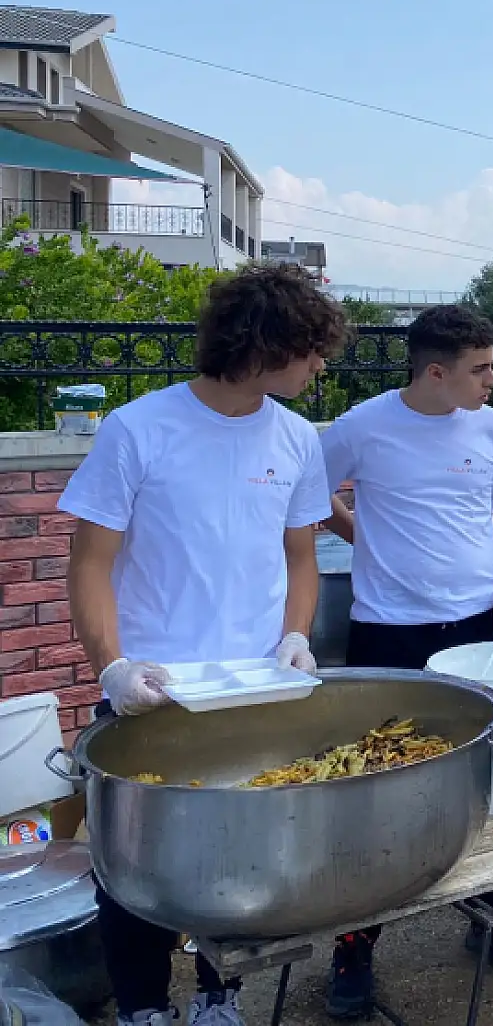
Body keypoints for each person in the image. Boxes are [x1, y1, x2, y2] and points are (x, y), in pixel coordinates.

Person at [61, 263, 347, 1026]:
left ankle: (221, 998)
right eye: (312, 349)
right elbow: (88, 563)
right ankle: (144, 1008)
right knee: (133, 871)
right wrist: (111, 666)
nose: (322, 365)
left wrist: (296, 635)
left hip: (253, 691)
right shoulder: (138, 429)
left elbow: (299, 557)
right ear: (265, 345)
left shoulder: (295, 438)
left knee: (239, 859)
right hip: (151, 691)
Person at [319, 304, 493, 1015]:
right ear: (435, 372)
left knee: (480, 775)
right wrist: (363, 541)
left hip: (475, 627)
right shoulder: (362, 426)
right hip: (387, 632)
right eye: (481, 369)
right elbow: (309, 497)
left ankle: (492, 911)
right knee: (373, 784)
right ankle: (355, 945)